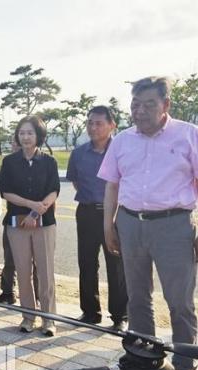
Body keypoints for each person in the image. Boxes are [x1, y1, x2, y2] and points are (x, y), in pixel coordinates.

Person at [98, 76, 198, 370]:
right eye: (135, 105)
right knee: (137, 298)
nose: (140, 111)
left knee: (180, 302)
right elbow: (112, 185)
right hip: (130, 223)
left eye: (149, 104)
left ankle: (184, 367)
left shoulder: (190, 135)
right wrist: (108, 226)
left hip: (174, 226)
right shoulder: (122, 140)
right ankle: (146, 357)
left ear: (166, 105)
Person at [66, 106, 128, 332]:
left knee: (116, 264)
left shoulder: (122, 150)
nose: (93, 127)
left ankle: (120, 315)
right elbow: (76, 181)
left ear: (112, 125)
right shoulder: (79, 153)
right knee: (87, 262)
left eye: (99, 123)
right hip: (87, 212)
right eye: (90, 122)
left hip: (116, 213)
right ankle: (90, 311)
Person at [0, 116, 60, 336]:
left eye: (30, 133)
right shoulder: (9, 162)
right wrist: (29, 205)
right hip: (17, 224)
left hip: (44, 223)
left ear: (39, 136)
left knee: (45, 272)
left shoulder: (49, 162)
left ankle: (49, 319)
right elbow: (5, 192)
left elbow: (54, 190)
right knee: (23, 271)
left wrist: (37, 210)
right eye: (22, 132)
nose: (25, 137)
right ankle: (28, 317)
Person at [0, 139, 40, 305]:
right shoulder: (9, 164)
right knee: (10, 257)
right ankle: (8, 292)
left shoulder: (40, 163)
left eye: (17, 144)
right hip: (13, 217)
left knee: (36, 260)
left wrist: (34, 214)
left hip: (36, 219)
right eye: (14, 142)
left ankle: (38, 295)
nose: (15, 146)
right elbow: (5, 191)